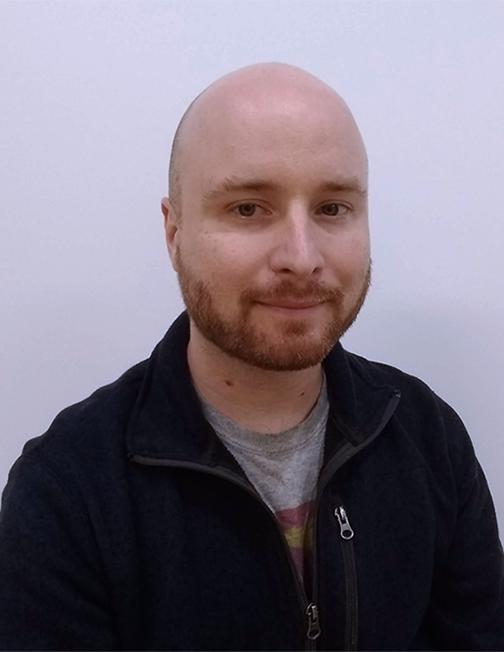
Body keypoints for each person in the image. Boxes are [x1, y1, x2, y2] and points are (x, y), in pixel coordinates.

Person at [0, 63, 503, 652]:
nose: (302, 257)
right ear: (174, 232)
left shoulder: (428, 436)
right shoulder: (67, 492)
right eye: (248, 209)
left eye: (332, 208)